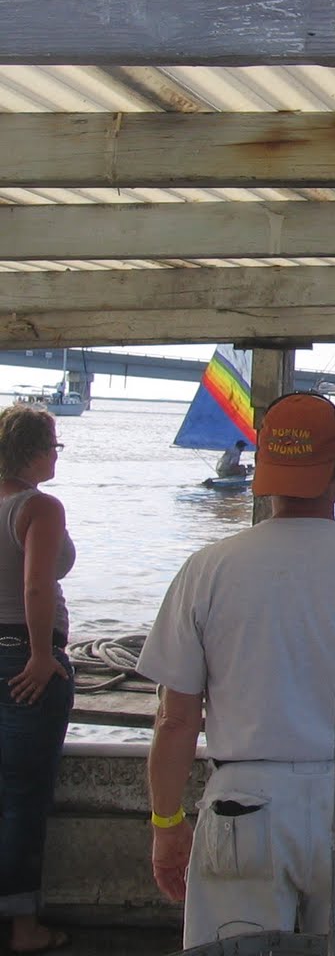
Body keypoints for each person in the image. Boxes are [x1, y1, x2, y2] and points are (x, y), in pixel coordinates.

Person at [138, 392, 335, 947]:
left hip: (242, 806)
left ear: (265, 472)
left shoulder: (207, 569)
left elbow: (175, 720)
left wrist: (166, 823)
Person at [0, 406, 75, 954]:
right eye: (54, 446)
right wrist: (43, 656)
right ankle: (24, 929)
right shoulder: (39, 507)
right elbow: (35, 588)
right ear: (35, 449)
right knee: (22, 797)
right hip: (23, 662)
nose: (56, 456)